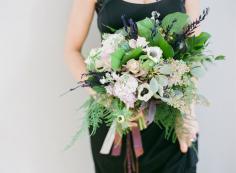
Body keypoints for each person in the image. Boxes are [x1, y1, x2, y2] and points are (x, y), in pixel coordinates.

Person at [64, 0, 200, 172]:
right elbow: (71, 50)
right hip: (116, 121)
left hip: (171, 120)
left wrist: (188, 112)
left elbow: (195, 53)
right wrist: (109, 100)